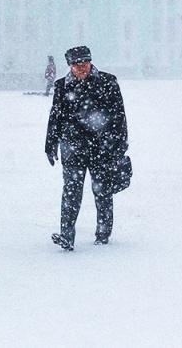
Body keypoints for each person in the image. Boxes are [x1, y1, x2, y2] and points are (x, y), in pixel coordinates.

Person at [45, 46, 128, 250]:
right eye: (76, 64)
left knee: (102, 191)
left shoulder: (108, 82)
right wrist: (50, 144)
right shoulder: (62, 87)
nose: (80, 68)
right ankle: (66, 235)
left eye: (84, 63)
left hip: (103, 147)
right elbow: (55, 117)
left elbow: (119, 116)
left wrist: (119, 146)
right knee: (71, 192)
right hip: (73, 147)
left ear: (91, 62)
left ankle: (103, 233)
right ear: (70, 66)